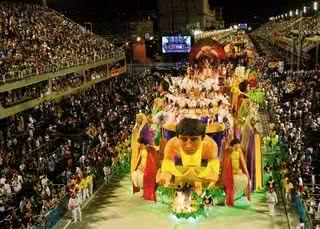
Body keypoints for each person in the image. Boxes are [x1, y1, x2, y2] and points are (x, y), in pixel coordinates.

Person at [158, 118, 220, 188]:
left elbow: (213, 167)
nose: (188, 145)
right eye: (184, 139)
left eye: (194, 139)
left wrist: (213, 173)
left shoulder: (209, 144)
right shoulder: (172, 144)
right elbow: (167, 165)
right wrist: (166, 174)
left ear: (202, 138)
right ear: (177, 138)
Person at [222, 138, 251, 206]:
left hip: (237, 171)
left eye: (238, 147)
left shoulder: (239, 151)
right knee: (232, 180)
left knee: (245, 178)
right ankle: (230, 197)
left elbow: (242, 162)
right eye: (236, 147)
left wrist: (244, 172)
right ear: (232, 146)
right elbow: (226, 164)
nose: (237, 148)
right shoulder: (228, 151)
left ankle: (236, 195)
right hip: (230, 172)